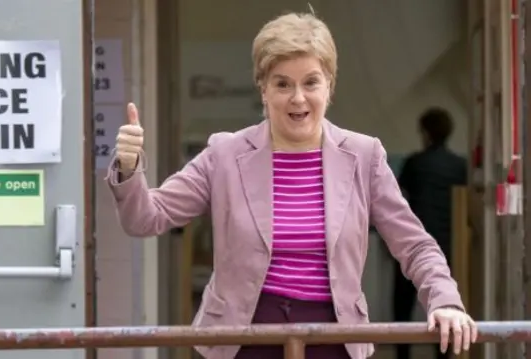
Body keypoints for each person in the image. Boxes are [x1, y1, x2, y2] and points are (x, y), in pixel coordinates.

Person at [108, 11, 477, 359]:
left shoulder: (365, 156)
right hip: (241, 342)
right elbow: (145, 219)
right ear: (262, 89)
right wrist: (128, 166)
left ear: (329, 86)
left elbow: (414, 245)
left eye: (310, 82)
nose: (297, 98)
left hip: (334, 342)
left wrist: (444, 300)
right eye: (282, 83)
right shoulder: (224, 153)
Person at [393, 108, 468, 359]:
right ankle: (443, 354)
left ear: (425, 132)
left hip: (412, 242)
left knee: (403, 306)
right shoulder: (460, 167)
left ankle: (403, 354)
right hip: (449, 242)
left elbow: (399, 198)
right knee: (443, 304)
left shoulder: (415, 164)